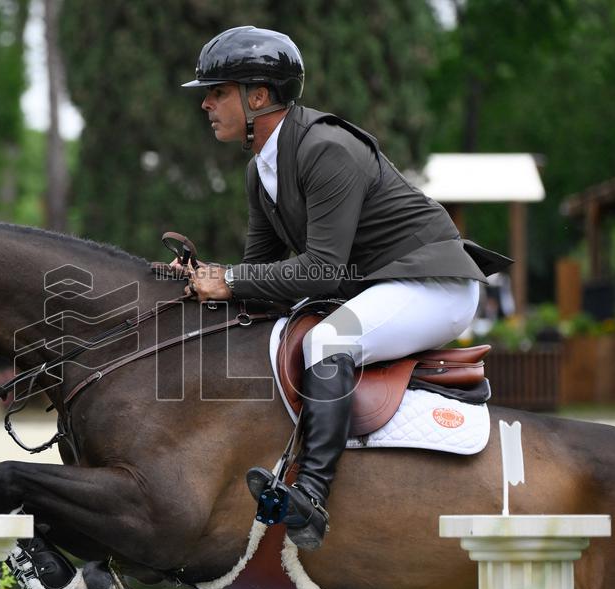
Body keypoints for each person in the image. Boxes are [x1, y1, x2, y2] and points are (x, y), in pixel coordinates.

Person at [179, 26, 510, 550]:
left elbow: (320, 272)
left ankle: (311, 494)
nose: (207, 105)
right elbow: (257, 273)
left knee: (327, 342)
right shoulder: (259, 171)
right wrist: (200, 283)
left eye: (217, 92)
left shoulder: (326, 148)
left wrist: (232, 281)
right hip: (384, 286)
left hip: (433, 285)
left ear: (258, 96)